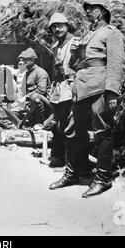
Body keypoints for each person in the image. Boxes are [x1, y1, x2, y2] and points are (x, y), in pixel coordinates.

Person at [49, 0, 125, 198]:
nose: (88, 11)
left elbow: (117, 64)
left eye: (92, 8)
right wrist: (75, 55)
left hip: (100, 87)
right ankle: (73, 173)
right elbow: (76, 65)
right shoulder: (86, 36)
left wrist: (112, 91)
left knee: (102, 132)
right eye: (88, 8)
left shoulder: (112, 33)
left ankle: (102, 179)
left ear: (103, 11)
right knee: (73, 131)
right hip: (81, 89)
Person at [47, 13, 76, 168]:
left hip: (72, 89)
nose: (57, 29)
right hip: (58, 90)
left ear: (67, 25)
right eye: (54, 26)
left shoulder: (76, 43)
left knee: (73, 127)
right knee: (59, 125)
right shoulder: (56, 46)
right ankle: (61, 157)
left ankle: (74, 163)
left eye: (60, 25)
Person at [2, 48, 50, 129]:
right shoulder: (27, 73)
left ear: (32, 60)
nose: (22, 62)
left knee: (35, 97)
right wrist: (17, 101)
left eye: (25, 60)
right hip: (30, 103)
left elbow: (41, 91)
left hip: (42, 104)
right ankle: (27, 121)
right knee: (10, 111)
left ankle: (40, 122)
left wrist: (24, 99)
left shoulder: (40, 72)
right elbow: (22, 91)